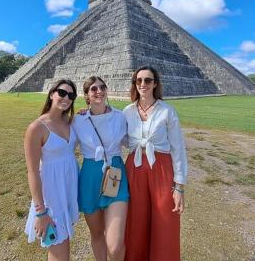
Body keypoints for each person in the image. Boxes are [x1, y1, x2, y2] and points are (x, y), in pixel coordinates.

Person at [123, 65, 188, 261]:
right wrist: (88, 112)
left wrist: (180, 187)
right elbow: (116, 135)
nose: (143, 84)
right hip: (134, 167)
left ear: (155, 84)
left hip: (161, 167)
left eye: (148, 80)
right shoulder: (127, 111)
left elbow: (178, 149)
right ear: (135, 83)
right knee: (136, 219)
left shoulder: (167, 111)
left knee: (165, 218)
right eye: (139, 80)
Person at [72, 76, 129, 261]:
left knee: (115, 243)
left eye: (102, 87)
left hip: (115, 174)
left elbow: (134, 141)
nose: (99, 91)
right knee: (97, 235)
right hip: (90, 175)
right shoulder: (78, 120)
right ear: (87, 95)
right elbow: (66, 145)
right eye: (94, 89)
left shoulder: (120, 117)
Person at [24, 79, 79, 261]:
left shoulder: (70, 122)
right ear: (51, 94)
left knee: (64, 246)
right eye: (62, 93)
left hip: (68, 191)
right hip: (52, 196)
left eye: (71, 95)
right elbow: (32, 171)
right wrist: (41, 211)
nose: (66, 98)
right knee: (59, 249)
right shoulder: (37, 127)